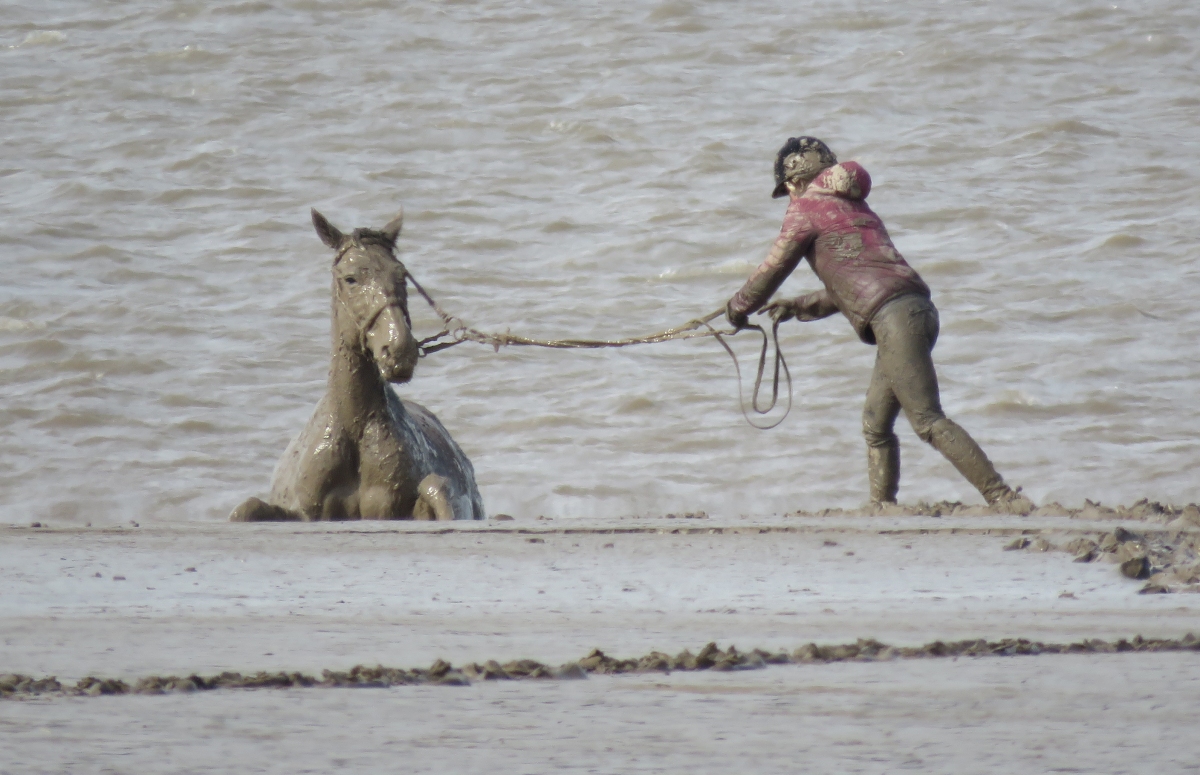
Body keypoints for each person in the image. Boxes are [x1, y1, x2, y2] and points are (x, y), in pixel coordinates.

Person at [725, 136, 1030, 511]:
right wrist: (799, 306)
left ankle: (1002, 497)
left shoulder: (804, 209)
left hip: (895, 319)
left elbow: (770, 271)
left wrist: (738, 308)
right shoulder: (856, 207)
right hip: (915, 311)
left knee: (927, 420)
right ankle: (882, 507)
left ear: (792, 182)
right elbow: (856, 284)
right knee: (876, 422)